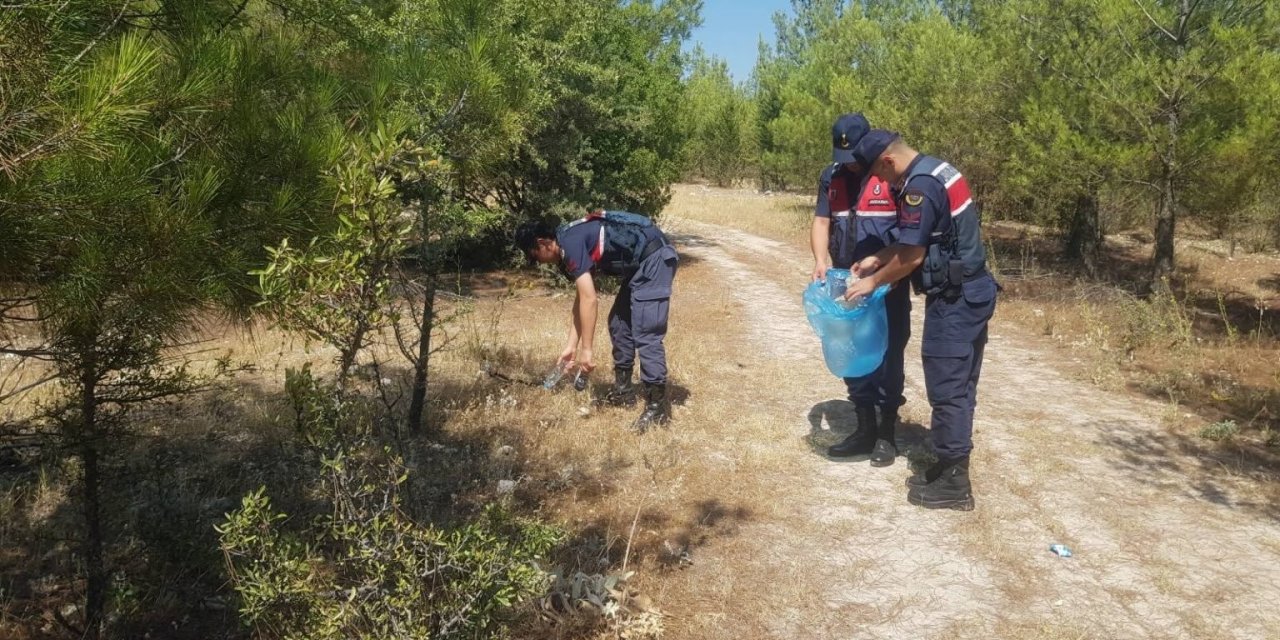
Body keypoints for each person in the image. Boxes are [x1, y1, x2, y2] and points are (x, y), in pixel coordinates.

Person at [843, 130, 998, 511]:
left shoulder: (919, 186)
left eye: (881, 176)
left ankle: (955, 481)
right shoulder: (937, 170)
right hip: (971, 292)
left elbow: (913, 255)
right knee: (960, 385)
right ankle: (950, 465)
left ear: (889, 161)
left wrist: (871, 282)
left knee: (948, 387)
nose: (884, 184)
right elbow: (921, 239)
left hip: (955, 300)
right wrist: (878, 257)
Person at [515, 209, 678, 432]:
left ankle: (657, 407)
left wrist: (587, 351)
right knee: (619, 323)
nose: (539, 262)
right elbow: (582, 299)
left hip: (654, 258)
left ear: (543, 243)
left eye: (535, 256)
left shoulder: (569, 244)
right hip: (638, 264)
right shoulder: (566, 245)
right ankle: (623, 392)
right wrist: (571, 347)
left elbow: (591, 300)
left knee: (646, 332)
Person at [812, 114, 911, 466]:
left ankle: (886, 435)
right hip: (845, 285)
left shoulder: (893, 178)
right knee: (852, 354)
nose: (850, 166)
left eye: (855, 157)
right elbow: (822, 221)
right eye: (844, 159)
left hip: (887, 285)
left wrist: (889, 274)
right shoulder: (831, 177)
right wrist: (821, 259)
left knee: (888, 356)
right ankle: (864, 428)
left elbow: (910, 236)